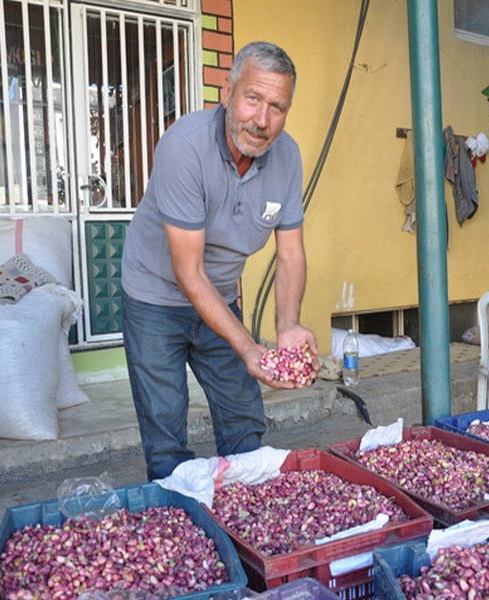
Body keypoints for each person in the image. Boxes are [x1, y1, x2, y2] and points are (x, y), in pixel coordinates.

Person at [120, 41, 317, 481]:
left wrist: (288, 325)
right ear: (227, 94)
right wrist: (248, 346)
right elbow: (188, 272)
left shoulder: (287, 158)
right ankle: (183, 526)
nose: (262, 121)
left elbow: (290, 254)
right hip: (154, 296)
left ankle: (249, 524)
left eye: (277, 107)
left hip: (220, 297)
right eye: (252, 99)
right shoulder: (184, 147)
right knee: (166, 429)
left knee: (243, 419)